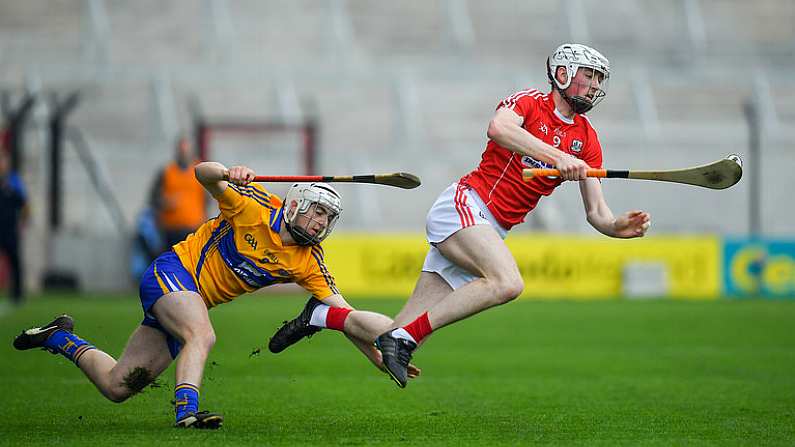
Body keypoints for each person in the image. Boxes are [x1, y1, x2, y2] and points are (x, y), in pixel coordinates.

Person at [268, 43, 651, 388]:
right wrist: (558, 158)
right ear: (563, 74)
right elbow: (498, 128)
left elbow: (597, 213)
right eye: (589, 75)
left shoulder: (587, 139)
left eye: (600, 78)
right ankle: (404, 340)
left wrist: (618, 227)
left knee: (397, 329)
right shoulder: (530, 103)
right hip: (465, 205)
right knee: (507, 283)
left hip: (489, 230)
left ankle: (321, 316)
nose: (595, 85)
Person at [12, 161, 416, 428]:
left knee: (119, 385)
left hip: (189, 303)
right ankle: (186, 413)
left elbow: (345, 316)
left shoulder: (309, 262)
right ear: (296, 204)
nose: (319, 222)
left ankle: (57, 336)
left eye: (327, 218)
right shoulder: (253, 205)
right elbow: (202, 174)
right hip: (173, 273)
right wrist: (228, 172)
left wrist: (380, 358)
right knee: (201, 334)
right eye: (316, 211)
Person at [149, 135, 206, 249]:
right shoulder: (166, 172)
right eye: (181, 150)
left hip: (194, 229)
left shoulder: (201, 170)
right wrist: (165, 203)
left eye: (186, 149)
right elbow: (153, 199)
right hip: (171, 231)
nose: (184, 153)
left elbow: (208, 198)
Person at [0, 147, 29, 305]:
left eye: (3, 160)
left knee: (14, 261)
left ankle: (17, 295)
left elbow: (24, 204)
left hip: (9, 229)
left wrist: (24, 222)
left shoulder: (14, 180)